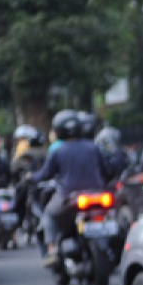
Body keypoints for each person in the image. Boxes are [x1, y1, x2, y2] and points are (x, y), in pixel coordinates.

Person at [32, 109, 108, 267]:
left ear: (59, 130)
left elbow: (45, 174)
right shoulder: (93, 147)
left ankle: (52, 249)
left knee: (49, 214)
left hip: (69, 196)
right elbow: (107, 170)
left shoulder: (58, 151)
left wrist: (30, 178)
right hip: (98, 194)